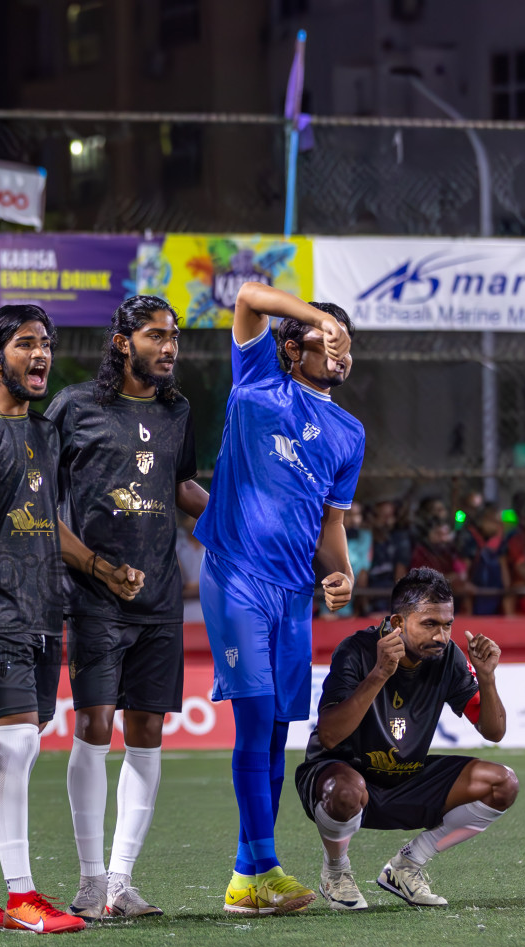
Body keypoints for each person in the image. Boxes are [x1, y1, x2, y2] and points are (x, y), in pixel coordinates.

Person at [0, 304, 120, 936]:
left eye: (47, 345)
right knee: (16, 745)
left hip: (43, 608)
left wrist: (101, 567)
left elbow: (43, 519)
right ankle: (24, 895)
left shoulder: (43, 433)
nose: (41, 356)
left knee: (22, 752)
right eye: (26, 344)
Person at [193, 280, 362, 915]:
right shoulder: (259, 376)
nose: (342, 354)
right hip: (236, 573)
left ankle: (246, 877)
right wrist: (316, 314)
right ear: (293, 348)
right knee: (256, 718)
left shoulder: (349, 433)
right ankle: (266, 866)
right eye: (330, 342)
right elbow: (247, 295)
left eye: (349, 346)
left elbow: (331, 525)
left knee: (278, 732)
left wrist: (341, 574)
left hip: (295, 593)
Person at [44, 294, 209, 920]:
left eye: (174, 337)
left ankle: (120, 881)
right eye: (156, 336)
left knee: (147, 734)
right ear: (122, 341)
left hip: (162, 599)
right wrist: (97, 568)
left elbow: (178, 485)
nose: (169, 347)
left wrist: (237, 523)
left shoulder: (177, 410)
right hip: (93, 598)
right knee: (93, 728)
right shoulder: (74, 407)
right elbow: (40, 502)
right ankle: (89, 880)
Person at [297, 568, 515, 909]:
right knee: (346, 791)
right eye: (430, 624)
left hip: (404, 777)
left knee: (502, 784)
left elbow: (494, 731)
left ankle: (407, 867)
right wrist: (380, 673)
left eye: (447, 625)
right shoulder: (357, 650)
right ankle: (336, 872)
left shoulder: (446, 657)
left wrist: (486, 678)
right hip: (340, 778)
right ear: (398, 622)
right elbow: (328, 734)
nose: (442, 636)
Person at [322, 501, 370, 619]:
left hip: (354, 597)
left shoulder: (366, 536)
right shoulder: (326, 537)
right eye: (349, 515)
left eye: (357, 515)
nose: (354, 520)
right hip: (327, 602)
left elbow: (363, 571)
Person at [457, 502, 506, 615]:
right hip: (472, 599)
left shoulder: (495, 542)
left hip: (491, 596)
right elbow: (463, 572)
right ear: (483, 520)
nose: (499, 526)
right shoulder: (468, 538)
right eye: (495, 522)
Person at [364, 500, 410, 615]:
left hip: (390, 587)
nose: (386, 521)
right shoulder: (366, 537)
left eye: (390, 516)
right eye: (382, 516)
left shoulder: (399, 538)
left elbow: (401, 572)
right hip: (369, 587)